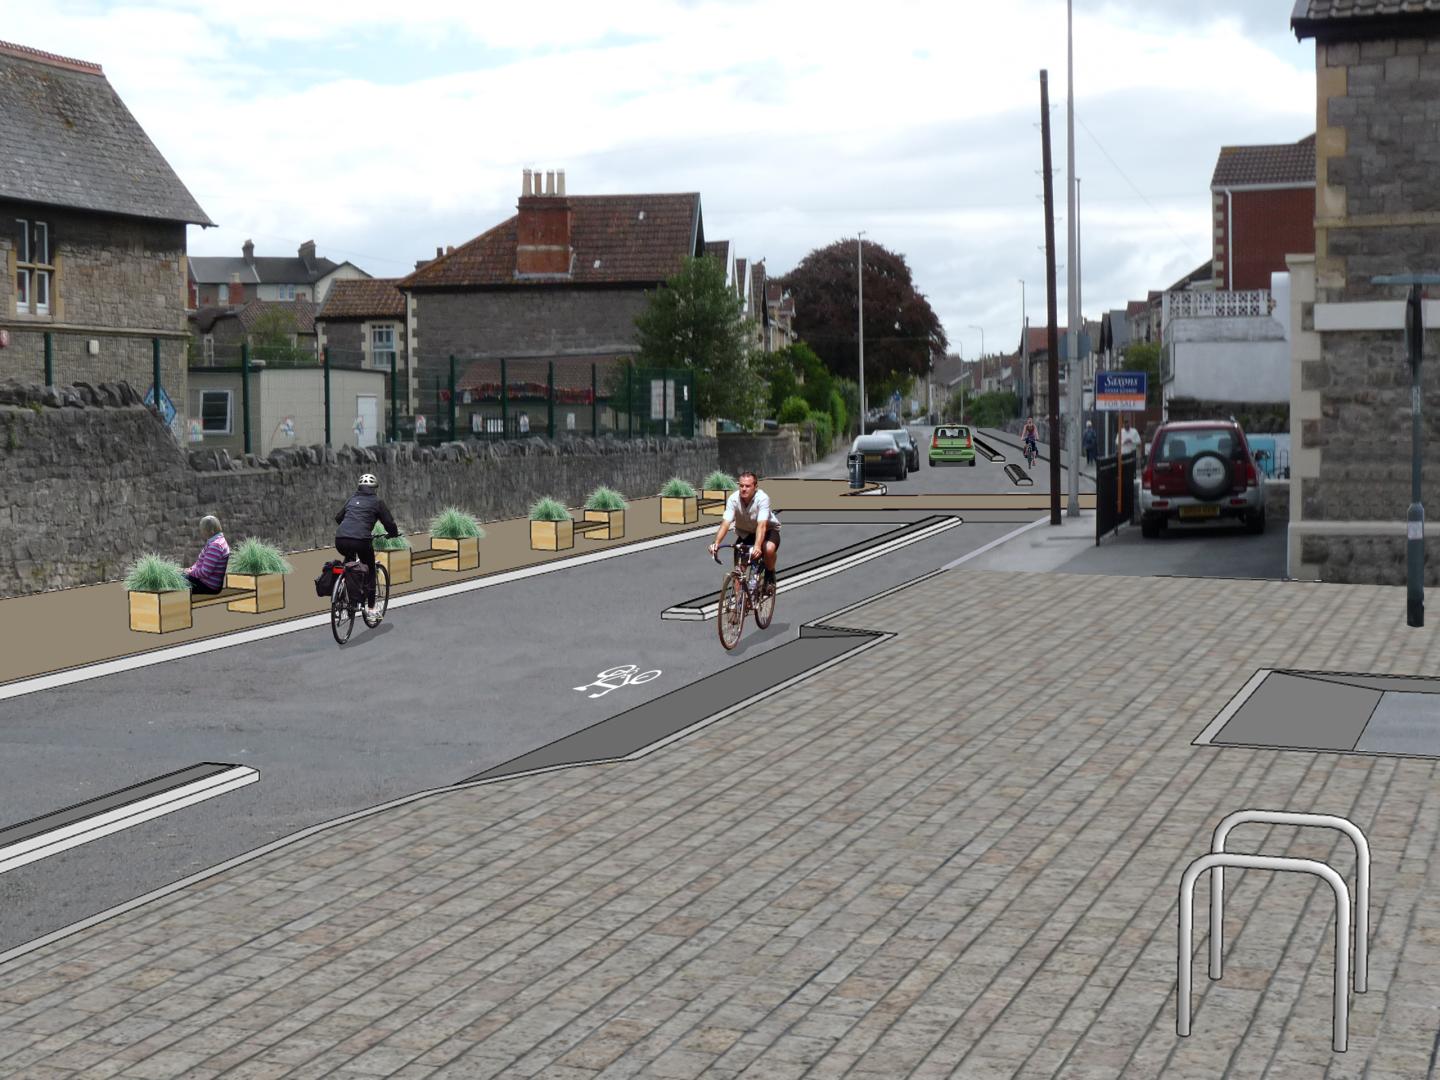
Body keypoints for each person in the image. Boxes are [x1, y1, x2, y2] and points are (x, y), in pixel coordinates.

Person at [334, 472, 400, 618]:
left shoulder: (352, 499)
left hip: (340, 539)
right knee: (370, 571)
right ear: (374, 488)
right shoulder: (377, 502)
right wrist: (393, 533)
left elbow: (338, 517)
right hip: (361, 540)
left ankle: (342, 597)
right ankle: (371, 609)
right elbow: (389, 522)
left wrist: (349, 525)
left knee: (349, 564)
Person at [708, 470, 781, 586]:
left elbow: (761, 525)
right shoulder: (733, 499)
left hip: (767, 531)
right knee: (738, 572)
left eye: (747, 486)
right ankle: (739, 603)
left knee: (768, 549)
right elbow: (725, 523)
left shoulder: (762, 498)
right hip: (746, 534)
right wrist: (716, 543)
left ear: (755, 487)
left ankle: (769, 572)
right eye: (741, 485)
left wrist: (757, 546)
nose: (744, 489)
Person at [184, 515, 230, 595]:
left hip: (208, 585)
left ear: (211, 531)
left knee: (174, 582)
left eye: (203, 530)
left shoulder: (215, 546)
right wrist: (190, 569)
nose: (201, 532)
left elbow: (205, 572)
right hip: (205, 581)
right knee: (177, 575)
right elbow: (200, 563)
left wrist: (190, 572)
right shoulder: (218, 540)